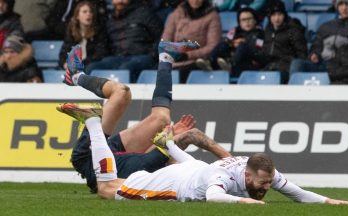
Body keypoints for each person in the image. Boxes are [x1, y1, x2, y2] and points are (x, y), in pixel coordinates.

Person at [59, 42, 348, 205]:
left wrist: (180, 141)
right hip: (100, 160)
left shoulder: (176, 159)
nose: (267, 187)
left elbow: (186, 150)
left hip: (120, 158)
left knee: (161, 118)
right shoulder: (175, 161)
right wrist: (217, 154)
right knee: (122, 93)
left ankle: (164, 56)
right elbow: (199, 159)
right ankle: (78, 79)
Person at [57, 41, 229, 192]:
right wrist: (233, 164)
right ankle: (166, 57)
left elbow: (160, 154)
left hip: (92, 158)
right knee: (160, 118)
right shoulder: (155, 169)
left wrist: (171, 139)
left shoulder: (153, 171)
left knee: (121, 92)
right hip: (116, 154)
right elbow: (159, 154)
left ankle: (77, 76)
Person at [86, 0, 163, 82]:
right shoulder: (108, 18)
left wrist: (153, 55)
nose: (120, 1)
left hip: (142, 56)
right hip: (117, 58)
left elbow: (161, 36)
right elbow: (103, 44)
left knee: (126, 68)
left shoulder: (144, 13)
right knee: (91, 67)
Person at [162, 0, 221, 83]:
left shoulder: (212, 16)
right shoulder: (177, 13)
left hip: (197, 61)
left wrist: (188, 55)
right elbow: (166, 40)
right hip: (174, 60)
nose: (195, 1)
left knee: (181, 75)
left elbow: (213, 46)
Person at [290, 0, 348, 74]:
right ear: (337, 7)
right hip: (323, 64)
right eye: (341, 4)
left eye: (347, 4)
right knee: (297, 63)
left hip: (344, 66)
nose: (344, 8)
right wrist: (315, 54)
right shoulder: (326, 26)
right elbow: (316, 44)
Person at [196, 7, 264, 78]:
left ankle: (230, 64)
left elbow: (257, 50)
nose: (247, 22)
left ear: (255, 20)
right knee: (223, 44)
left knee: (242, 46)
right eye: (243, 20)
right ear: (239, 22)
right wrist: (233, 43)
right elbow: (226, 41)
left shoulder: (260, 34)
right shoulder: (234, 31)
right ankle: (209, 61)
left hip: (248, 63)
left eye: (249, 19)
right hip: (231, 59)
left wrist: (244, 43)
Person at [260, 0, 307, 83]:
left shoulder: (293, 29)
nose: (277, 18)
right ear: (269, 16)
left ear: (284, 15)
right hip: (270, 67)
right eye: (273, 15)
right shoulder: (268, 30)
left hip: (286, 68)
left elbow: (302, 54)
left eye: (280, 14)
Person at [59, 1, 108, 71]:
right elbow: (63, 53)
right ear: (77, 16)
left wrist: (81, 63)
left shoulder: (99, 32)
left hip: (90, 66)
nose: (88, 14)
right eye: (84, 12)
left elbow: (100, 54)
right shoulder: (71, 32)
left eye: (91, 12)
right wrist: (65, 63)